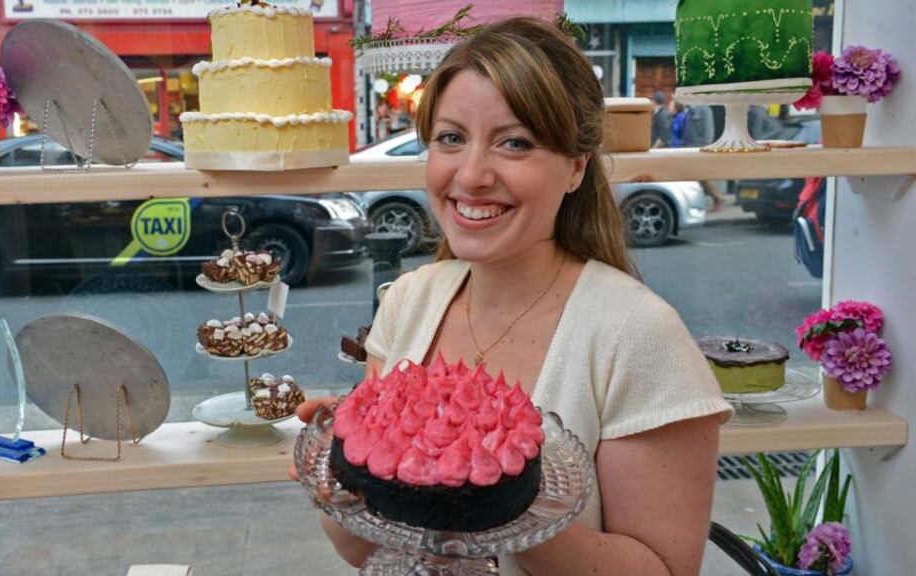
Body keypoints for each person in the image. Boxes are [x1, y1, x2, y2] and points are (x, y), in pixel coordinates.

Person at [295, 17, 731, 576]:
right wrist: (344, 477)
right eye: (451, 138)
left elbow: (665, 570)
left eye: (515, 143)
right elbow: (366, 547)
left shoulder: (637, 335)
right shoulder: (410, 300)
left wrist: (504, 509)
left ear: (576, 167)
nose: (472, 175)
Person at [682, 105, 725, 211]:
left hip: (699, 150)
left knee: (703, 177)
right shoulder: (690, 110)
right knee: (698, 178)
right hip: (690, 149)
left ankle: (719, 197)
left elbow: (708, 132)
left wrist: (705, 151)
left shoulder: (705, 110)